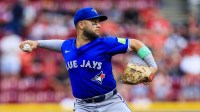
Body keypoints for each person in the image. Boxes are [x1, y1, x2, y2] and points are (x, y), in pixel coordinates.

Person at [19, 7, 157, 112]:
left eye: (98, 22)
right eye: (94, 22)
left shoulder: (105, 43)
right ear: (81, 25)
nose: (99, 25)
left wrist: (152, 67)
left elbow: (137, 44)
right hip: (83, 106)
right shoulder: (68, 46)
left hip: (111, 103)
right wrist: (36, 43)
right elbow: (59, 44)